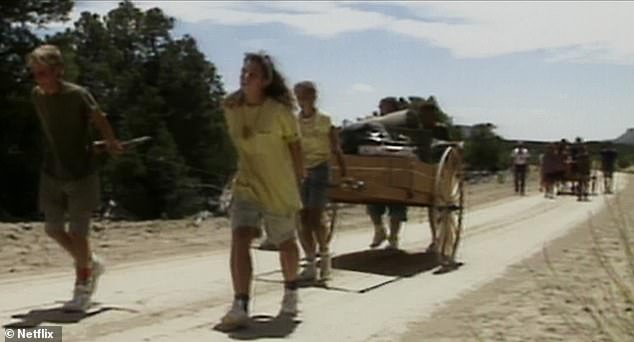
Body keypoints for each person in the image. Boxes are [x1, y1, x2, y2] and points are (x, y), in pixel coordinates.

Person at [27, 44, 123, 312]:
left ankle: (83, 284)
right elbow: (55, 130)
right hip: (52, 171)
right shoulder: (37, 96)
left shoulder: (78, 94)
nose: (39, 79)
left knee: (78, 233)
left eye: (44, 73)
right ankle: (91, 262)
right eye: (35, 74)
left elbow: (98, 117)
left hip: (82, 173)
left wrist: (111, 142)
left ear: (59, 71)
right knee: (53, 228)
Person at [220, 51, 303, 329]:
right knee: (240, 237)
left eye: (252, 74)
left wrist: (298, 180)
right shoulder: (231, 107)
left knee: (285, 242)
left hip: (279, 186)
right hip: (246, 184)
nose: (245, 77)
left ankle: (291, 290)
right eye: (243, 73)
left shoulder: (281, 113)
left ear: (266, 80)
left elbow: (295, 148)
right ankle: (240, 303)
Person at [293, 81, 346, 282]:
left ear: (313, 97)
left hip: (320, 169)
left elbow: (335, 148)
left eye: (305, 96)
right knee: (302, 218)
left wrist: (343, 172)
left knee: (316, 216)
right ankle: (309, 261)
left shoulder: (325, 120)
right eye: (298, 96)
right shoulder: (294, 122)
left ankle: (324, 259)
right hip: (300, 170)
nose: (302, 100)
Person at [367, 97, 408, 250]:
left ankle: (393, 237)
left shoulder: (403, 124)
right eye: (382, 107)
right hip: (379, 167)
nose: (383, 110)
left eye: (386, 107)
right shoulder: (375, 123)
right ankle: (379, 230)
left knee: (397, 204)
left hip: (399, 168)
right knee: (371, 200)